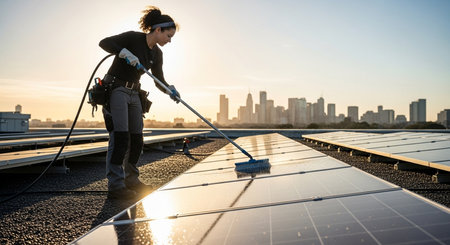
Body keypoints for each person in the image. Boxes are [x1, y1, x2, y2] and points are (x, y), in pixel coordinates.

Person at [99, 6, 180, 199]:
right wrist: (124, 53)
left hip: (134, 92)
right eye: (168, 36)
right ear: (158, 29)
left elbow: (158, 79)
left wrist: (170, 90)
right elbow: (104, 43)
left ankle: (131, 179)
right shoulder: (133, 38)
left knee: (136, 138)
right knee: (120, 137)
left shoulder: (157, 54)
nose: (169, 41)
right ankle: (116, 185)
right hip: (116, 88)